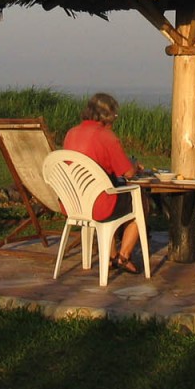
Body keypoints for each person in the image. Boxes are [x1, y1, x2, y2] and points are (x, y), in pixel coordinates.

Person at [62, 92, 144, 274]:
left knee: (110, 195)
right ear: (109, 115)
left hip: (73, 203)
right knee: (140, 205)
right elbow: (128, 173)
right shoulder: (107, 137)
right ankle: (123, 256)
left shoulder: (71, 133)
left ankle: (110, 256)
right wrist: (135, 166)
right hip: (100, 206)